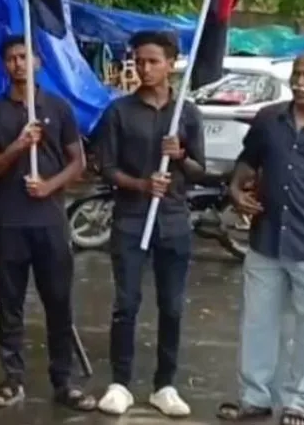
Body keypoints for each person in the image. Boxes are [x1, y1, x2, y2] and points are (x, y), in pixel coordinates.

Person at [0, 36, 93, 411]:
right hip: (9, 223)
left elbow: (78, 163)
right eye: (10, 58)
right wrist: (17, 145)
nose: (17, 64)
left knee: (58, 303)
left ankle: (65, 381)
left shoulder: (57, 108)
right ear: (4, 65)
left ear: (38, 62)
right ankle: (13, 379)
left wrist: (49, 187)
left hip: (50, 222)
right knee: (10, 305)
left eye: (24, 57)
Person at [95, 30, 206, 417]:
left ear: (171, 64)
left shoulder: (186, 113)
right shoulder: (119, 111)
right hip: (130, 219)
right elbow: (105, 167)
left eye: (153, 61)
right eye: (139, 61)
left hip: (174, 220)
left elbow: (199, 171)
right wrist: (141, 183)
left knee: (171, 307)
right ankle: (120, 382)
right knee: (126, 304)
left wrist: (180, 156)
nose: (144, 68)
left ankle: (165, 384)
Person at [219, 51, 304, 425]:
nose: (300, 82)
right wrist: (235, 189)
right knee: (258, 323)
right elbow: (249, 160)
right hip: (265, 239)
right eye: (297, 74)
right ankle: (255, 397)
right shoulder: (270, 119)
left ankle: (299, 401)